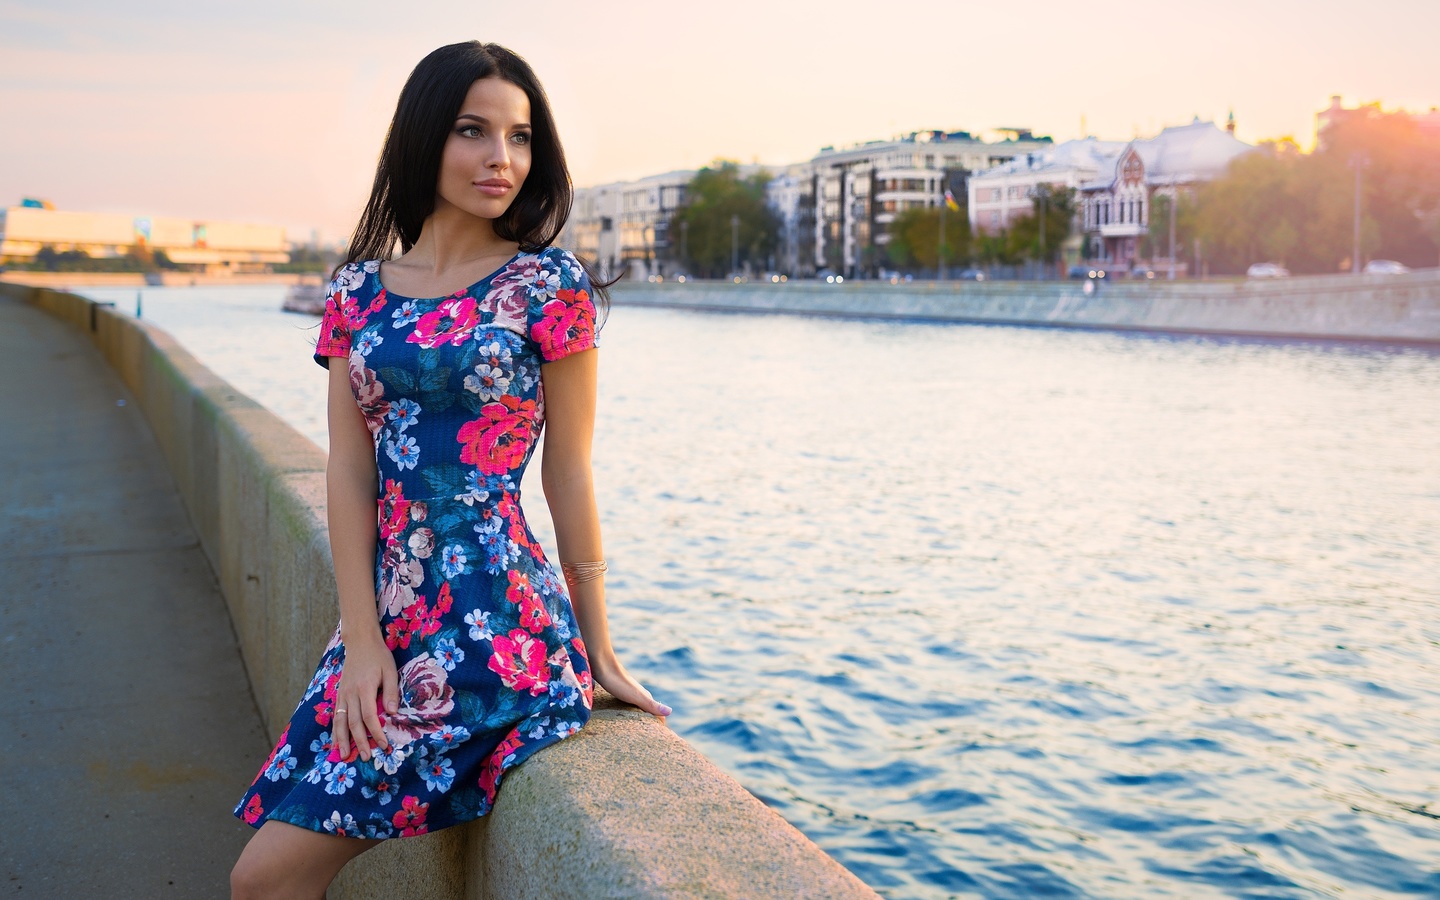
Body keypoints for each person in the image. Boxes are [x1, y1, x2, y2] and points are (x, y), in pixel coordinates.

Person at [230, 41, 670, 898]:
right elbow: (349, 474)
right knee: (264, 870)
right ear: (425, 137)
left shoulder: (547, 286)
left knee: (266, 878)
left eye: (520, 136)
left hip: (492, 627)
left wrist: (600, 646)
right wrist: (360, 641)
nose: (501, 158)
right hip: (386, 624)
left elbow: (569, 475)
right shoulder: (357, 290)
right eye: (474, 131)